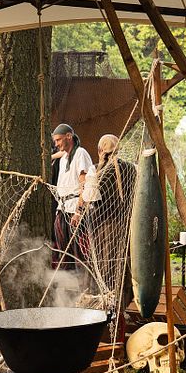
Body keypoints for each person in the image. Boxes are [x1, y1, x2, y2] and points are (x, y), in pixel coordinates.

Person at [80, 133, 136, 302]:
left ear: (100, 150)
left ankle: (107, 302)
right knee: (123, 263)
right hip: (125, 226)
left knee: (105, 264)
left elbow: (89, 198)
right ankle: (124, 300)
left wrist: (82, 193)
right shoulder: (132, 168)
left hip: (104, 227)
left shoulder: (96, 171)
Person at [49, 123, 93, 269]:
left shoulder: (81, 153)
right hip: (62, 209)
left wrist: (79, 211)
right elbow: (62, 154)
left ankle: (84, 282)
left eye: (58, 140)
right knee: (64, 252)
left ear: (69, 136)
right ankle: (67, 281)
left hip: (75, 209)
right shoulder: (63, 158)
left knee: (79, 253)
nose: (56, 144)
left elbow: (85, 185)